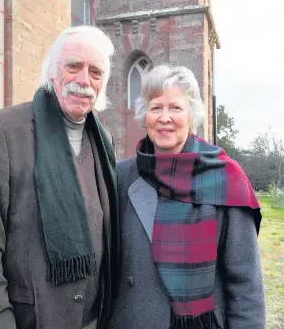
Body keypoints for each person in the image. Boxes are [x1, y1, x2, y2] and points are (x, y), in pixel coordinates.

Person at [0, 25, 119, 329]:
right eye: (74, 66)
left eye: (95, 72)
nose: (84, 80)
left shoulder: (104, 140)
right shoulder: (3, 131)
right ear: (52, 72)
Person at [107, 65, 265, 329]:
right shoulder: (121, 175)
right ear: (144, 114)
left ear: (191, 114)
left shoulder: (225, 178)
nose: (164, 118)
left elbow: (245, 285)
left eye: (176, 108)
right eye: (155, 107)